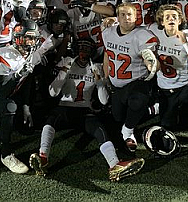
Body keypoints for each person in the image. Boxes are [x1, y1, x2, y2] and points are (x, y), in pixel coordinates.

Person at [29, 38, 145, 181]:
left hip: (85, 111)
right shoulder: (66, 62)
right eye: (81, 48)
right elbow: (53, 92)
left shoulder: (96, 67)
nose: (83, 52)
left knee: (100, 129)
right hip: (65, 107)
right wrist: (64, 71)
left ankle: (114, 165)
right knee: (50, 121)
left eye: (87, 48)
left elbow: (103, 100)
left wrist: (100, 83)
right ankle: (43, 157)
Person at [0, 20, 52, 173]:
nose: (32, 42)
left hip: (11, 92)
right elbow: (3, 92)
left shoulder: (30, 54)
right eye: (29, 37)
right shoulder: (4, 54)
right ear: (18, 38)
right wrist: (19, 73)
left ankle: (5, 153)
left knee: (27, 127)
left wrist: (26, 106)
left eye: (34, 38)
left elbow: (26, 83)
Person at [148, 5, 188, 171]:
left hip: (185, 85)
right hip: (164, 89)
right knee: (168, 127)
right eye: (167, 16)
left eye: (174, 16)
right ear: (161, 20)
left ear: (180, 20)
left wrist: (186, 44)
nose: (171, 19)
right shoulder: (153, 31)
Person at [102, 3, 158, 151]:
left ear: (136, 17)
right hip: (116, 84)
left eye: (130, 15)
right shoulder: (108, 32)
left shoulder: (143, 35)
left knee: (137, 102)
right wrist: (106, 78)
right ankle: (153, 109)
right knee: (117, 117)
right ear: (117, 17)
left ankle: (129, 131)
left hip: (136, 82)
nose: (126, 18)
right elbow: (107, 55)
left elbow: (153, 63)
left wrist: (150, 61)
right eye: (122, 15)